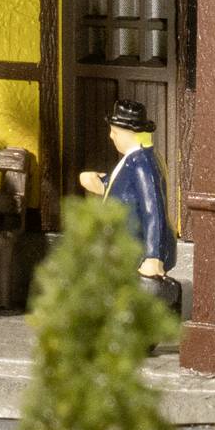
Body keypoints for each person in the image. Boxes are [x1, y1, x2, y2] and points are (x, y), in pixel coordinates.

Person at [77, 98, 178, 307]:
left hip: (137, 247)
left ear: (129, 133)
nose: (111, 136)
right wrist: (101, 184)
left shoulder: (143, 164)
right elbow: (125, 190)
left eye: (114, 132)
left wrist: (153, 256)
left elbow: (154, 211)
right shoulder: (134, 159)